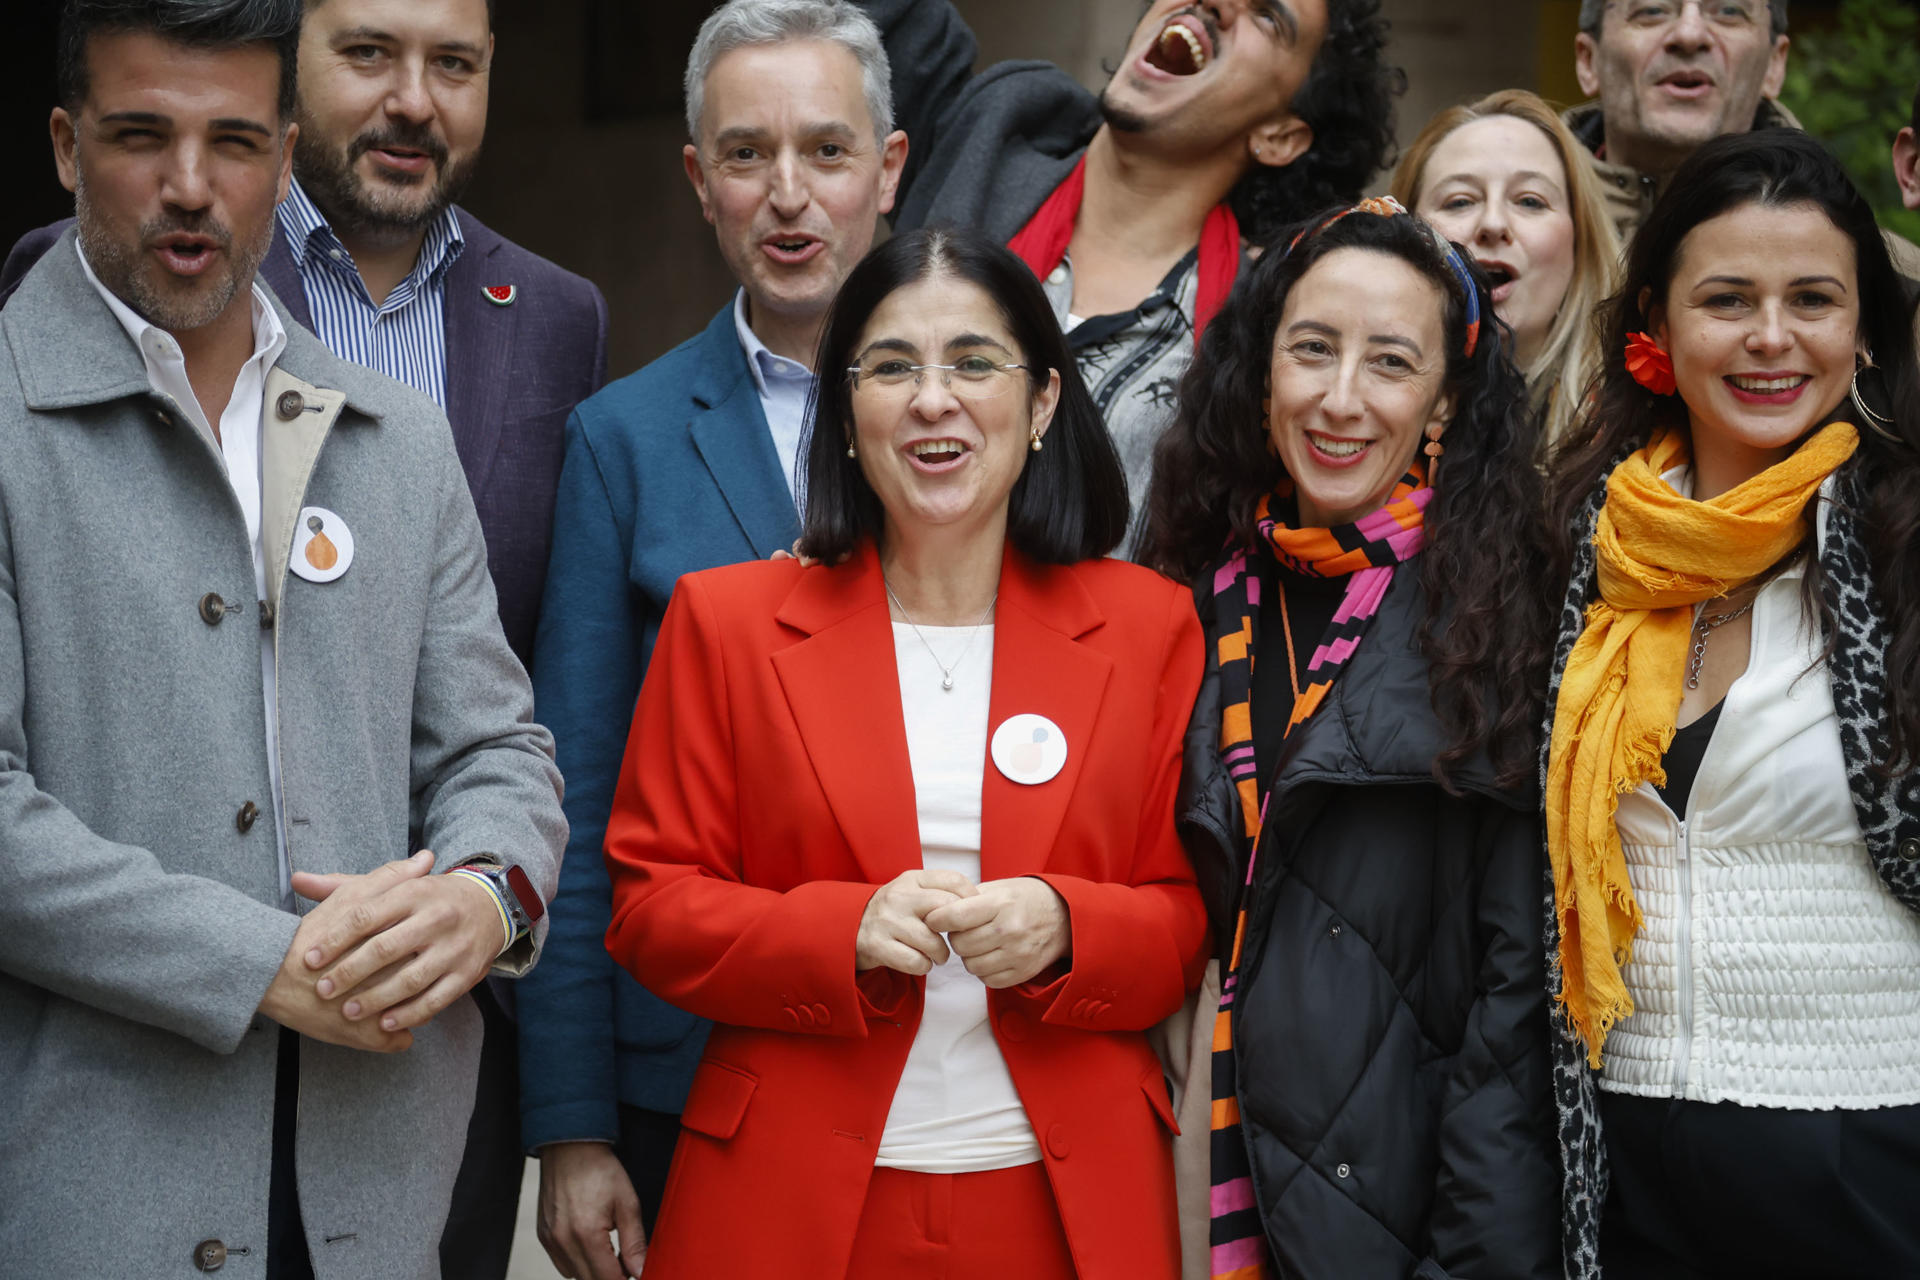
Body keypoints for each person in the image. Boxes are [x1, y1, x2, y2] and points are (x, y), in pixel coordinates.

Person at [2, 7, 605, 1264]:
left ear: (284, 157)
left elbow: (499, 747)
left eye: (232, 142)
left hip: (379, 1188)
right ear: (64, 147)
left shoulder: (391, 431)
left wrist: (487, 898)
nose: (189, 185)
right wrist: (270, 963)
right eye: (139, 135)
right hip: (86, 1180)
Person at [600, 226, 1207, 1278]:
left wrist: (1070, 924)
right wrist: (844, 926)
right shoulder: (727, 621)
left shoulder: (1150, 624)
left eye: (974, 361)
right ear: (844, 412)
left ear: (1045, 402)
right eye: (891, 366)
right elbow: (651, 908)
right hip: (788, 1194)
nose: (935, 399)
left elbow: (1187, 913)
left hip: (1066, 1198)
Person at [514, 2, 905, 1277]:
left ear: (889, 169)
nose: (787, 195)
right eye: (746, 155)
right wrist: (571, 1121)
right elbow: (573, 791)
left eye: (827, 152)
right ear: (699, 181)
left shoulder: (984, 416)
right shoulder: (623, 439)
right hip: (689, 1073)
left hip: (933, 1048)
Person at [1138, 199, 1560, 1278]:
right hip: (1172, 1172)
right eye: (1312, 350)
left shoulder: (1499, 618)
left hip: (1390, 1209)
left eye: (1389, 363)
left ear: (1443, 403)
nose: (1339, 399)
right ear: (1260, 365)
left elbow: (1510, 1018)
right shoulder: (1178, 595)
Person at [1541, 129, 1920, 1279]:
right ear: (1656, 318)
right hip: (1620, 1158)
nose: (1770, 337)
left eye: (1812, 298)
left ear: (1864, 329)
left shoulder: (1907, 549)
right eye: (1727, 298)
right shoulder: (1579, 546)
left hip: (1870, 1150)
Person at [856, 0, 1401, 553]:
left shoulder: (1261, 337)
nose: (1218, 2)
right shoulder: (989, 137)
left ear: (1279, 135)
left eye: (1267, 15)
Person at [1394, 89, 1621, 451]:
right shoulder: (1351, 416)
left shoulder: (1639, 437)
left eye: (1530, 200)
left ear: (1580, 242)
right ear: (1404, 240)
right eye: (1460, 201)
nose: (1494, 223)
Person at [1563, 0, 1790, 243]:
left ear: (1774, 64)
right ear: (1589, 60)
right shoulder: (1523, 235)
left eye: (1729, 11)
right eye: (1652, 10)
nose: (1689, 35)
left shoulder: (1828, 231)